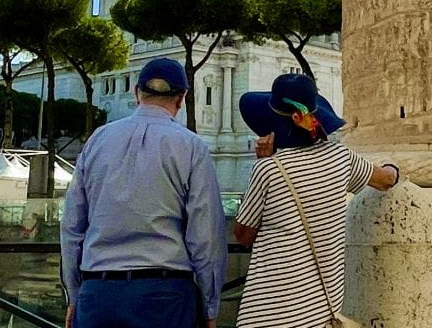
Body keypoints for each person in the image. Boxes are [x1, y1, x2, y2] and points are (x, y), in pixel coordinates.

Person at [61, 58, 228, 328]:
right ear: (182, 98)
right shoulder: (191, 146)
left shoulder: (96, 141)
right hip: (165, 294)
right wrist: (210, 307)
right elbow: (206, 235)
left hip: (98, 291)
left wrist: (74, 294)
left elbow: (72, 227)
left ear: (136, 93)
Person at [233, 73, 400, 328]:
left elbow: (243, 235)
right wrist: (393, 170)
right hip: (317, 311)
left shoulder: (268, 169)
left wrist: (263, 162)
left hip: (265, 311)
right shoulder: (341, 158)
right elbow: (385, 180)